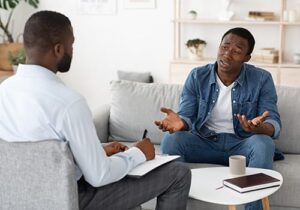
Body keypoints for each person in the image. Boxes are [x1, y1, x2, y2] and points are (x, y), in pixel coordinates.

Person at [0, 11, 191, 210]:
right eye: (71, 45)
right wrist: (138, 153)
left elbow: (37, 158)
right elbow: (99, 176)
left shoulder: (3, 91)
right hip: (71, 200)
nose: (73, 50)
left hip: (20, 201)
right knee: (178, 173)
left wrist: (97, 151)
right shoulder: (69, 103)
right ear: (58, 49)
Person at [155, 27, 281, 210]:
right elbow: (187, 115)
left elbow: (274, 123)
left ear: (247, 58)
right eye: (224, 47)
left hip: (242, 144)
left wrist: (257, 128)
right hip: (205, 141)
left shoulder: (262, 79)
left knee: (264, 144)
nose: (227, 54)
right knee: (171, 140)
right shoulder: (198, 76)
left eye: (237, 51)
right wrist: (181, 123)